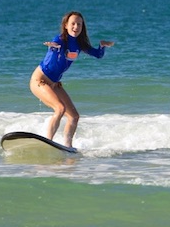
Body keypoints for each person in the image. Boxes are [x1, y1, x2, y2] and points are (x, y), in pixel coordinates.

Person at [29, 11, 114, 147]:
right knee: (60, 108)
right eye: (73, 24)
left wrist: (102, 46)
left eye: (79, 24)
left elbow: (98, 55)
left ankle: (68, 147)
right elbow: (55, 48)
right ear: (66, 25)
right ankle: (48, 142)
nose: (76, 27)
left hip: (54, 84)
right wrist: (54, 47)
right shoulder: (60, 40)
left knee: (74, 116)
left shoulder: (80, 44)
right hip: (39, 80)